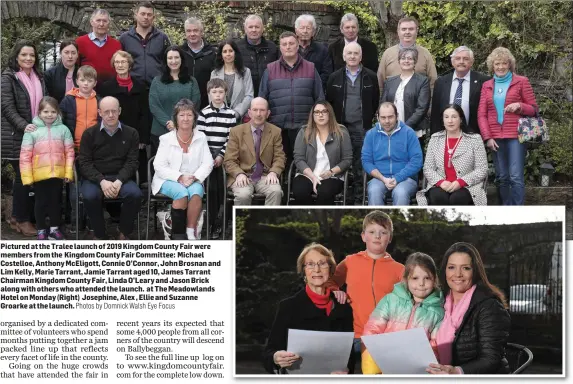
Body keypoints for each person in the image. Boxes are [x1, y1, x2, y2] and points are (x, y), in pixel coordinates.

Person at [326, 211, 404, 373]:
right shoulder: (350, 262)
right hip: (352, 335)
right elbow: (329, 281)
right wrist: (335, 290)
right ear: (363, 236)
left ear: (389, 238)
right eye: (372, 232)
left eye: (383, 233)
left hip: (383, 337)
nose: (377, 236)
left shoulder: (399, 270)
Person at [263, 243, 354, 374]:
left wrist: (346, 372)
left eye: (322, 263)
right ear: (304, 270)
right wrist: (275, 358)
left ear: (330, 269)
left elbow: (349, 356)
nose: (317, 269)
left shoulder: (343, 308)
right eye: (310, 264)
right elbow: (269, 353)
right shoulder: (288, 307)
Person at [426, 242, 510, 374]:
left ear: (475, 271)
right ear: (445, 270)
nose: (457, 274)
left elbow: (491, 359)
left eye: (465, 268)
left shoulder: (490, 307)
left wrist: (457, 371)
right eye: (452, 267)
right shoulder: (438, 302)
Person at [362, 252, 444, 374]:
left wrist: (425, 363)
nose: (421, 283)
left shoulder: (438, 311)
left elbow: (436, 344)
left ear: (435, 279)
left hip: (415, 366)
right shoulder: (390, 300)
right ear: (406, 279)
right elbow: (372, 329)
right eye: (415, 278)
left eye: (427, 278)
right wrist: (378, 353)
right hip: (384, 360)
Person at [477, 47, 538, 206]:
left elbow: (534, 109)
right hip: (495, 138)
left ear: (510, 64)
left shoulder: (521, 82)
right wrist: (487, 137)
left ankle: (518, 211)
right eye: (497, 64)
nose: (501, 67)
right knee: (502, 177)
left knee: (516, 176)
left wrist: (520, 106)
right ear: (492, 65)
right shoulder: (487, 85)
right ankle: (506, 211)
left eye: (504, 63)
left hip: (516, 136)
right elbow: (481, 114)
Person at [1, 40, 48, 237]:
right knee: (23, 179)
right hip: (16, 136)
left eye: (32, 55)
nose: (28, 58)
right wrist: (24, 126)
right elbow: (7, 107)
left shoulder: (39, 77)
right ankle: (22, 220)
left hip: (37, 135)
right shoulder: (8, 78)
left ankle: (16, 217)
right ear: (16, 57)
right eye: (24, 55)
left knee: (30, 178)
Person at [78, 96, 142, 240]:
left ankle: (124, 231)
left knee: (135, 194)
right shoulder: (89, 134)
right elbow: (84, 163)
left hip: (121, 177)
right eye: (106, 112)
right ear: (99, 113)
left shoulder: (131, 133)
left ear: (119, 111)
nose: (111, 115)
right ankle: (99, 234)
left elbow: (132, 162)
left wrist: (119, 181)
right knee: (90, 196)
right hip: (95, 178)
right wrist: (101, 181)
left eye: (114, 111)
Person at [259, 31, 324, 167]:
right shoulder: (270, 70)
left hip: (304, 126)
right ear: (280, 47)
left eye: (291, 43)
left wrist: (317, 122)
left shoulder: (310, 68)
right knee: (280, 163)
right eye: (284, 44)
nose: (288, 47)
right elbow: (262, 99)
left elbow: (319, 98)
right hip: (278, 127)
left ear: (297, 46)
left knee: (303, 164)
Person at [152, 99, 213, 240]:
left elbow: (208, 162)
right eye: (182, 115)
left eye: (189, 115)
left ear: (194, 118)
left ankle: (191, 231)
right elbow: (159, 166)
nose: (186, 119)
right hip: (168, 179)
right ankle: (178, 236)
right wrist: (179, 177)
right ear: (176, 118)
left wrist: (196, 177)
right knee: (181, 192)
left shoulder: (201, 137)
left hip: (193, 178)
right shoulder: (166, 139)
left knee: (197, 191)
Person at [326, 42, 379, 205]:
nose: (352, 56)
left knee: (360, 164)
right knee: (341, 162)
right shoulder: (335, 77)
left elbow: (375, 100)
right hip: (341, 128)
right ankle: (344, 197)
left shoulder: (370, 76)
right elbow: (329, 101)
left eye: (356, 53)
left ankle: (358, 198)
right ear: (343, 56)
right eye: (349, 53)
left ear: (361, 56)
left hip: (361, 128)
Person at [19, 97, 74, 240]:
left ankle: (55, 229)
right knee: (40, 203)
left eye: (53, 111)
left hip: (57, 174)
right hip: (39, 175)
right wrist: (27, 177)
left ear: (58, 113)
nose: (49, 115)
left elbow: (69, 152)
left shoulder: (64, 130)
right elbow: (25, 156)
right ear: (39, 112)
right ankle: (41, 229)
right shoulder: (32, 131)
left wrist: (68, 172)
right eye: (46, 111)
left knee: (56, 202)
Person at [417, 104, 488, 206]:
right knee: (438, 197)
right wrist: (441, 182)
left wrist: (461, 182)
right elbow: (428, 168)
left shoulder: (475, 139)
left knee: (457, 199)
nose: (450, 121)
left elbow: (482, 169)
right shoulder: (435, 138)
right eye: (446, 117)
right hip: (440, 185)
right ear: (442, 120)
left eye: (454, 117)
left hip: (467, 186)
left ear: (461, 119)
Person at [223, 97, 286, 206]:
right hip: (243, 175)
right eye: (255, 110)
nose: (258, 113)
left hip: (265, 176)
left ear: (268, 113)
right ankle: (242, 223)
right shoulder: (236, 131)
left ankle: (267, 223)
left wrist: (274, 172)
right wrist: (238, 174)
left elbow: (280, 157)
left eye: (262, 110)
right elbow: (229, 160)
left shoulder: (275, 131)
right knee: (243, 195)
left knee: (275, 192)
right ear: (249, 112)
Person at [99, 51, 150, 184]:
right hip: (114, 134)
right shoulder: (107, 87)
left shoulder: (140, 85)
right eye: (117, 62)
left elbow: (145, 113)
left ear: (130, 64)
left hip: (136, 135)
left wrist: (143, 138)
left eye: (123, 62)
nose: (120, 65)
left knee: (136, 173)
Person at [196, 79, 237, 238]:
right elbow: (201, 138)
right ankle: (210, 222)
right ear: (209, 94)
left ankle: (222, 222)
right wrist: (210, 158)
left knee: (223, 190)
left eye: (221, 92)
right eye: (214, 92)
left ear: (225, 93)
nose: (218, 95)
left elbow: (231, 138)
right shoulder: (204, 113)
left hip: (224, 156)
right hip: (207, 156)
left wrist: (221, 156)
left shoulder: (231, 114)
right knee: (211, 189)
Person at [291, 101, 352, 205]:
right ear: (312, 115)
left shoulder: (341, 132)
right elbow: (298, 158)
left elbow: (347, 159)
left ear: (330, 113)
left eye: (324, 111)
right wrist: (312, 176)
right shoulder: (304, 131)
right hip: (307, 174)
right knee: (300, 192)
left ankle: (322, 218)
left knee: (325, 193)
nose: (320, 115)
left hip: (332, 175)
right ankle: (310, 219)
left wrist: (331, 172)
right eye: (317, 112)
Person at [362, 102, 423, 206]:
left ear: (397, 116)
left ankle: (400, 222)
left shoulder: (409, 133)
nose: (387, 121)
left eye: (390, 117)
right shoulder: (371, 134)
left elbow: (417, 161)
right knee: (374, 191)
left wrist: (398, 178)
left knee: (400, 192)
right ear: (378, 117)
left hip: (406, 179)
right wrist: (383, 178)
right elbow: (366, 161)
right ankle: (378, 220)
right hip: (379, 179)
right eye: (383, 117)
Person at [149, 46, 200, 157]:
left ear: (181, 59)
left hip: (185, 131)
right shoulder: (157, 81)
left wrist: (177, 123)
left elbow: (194, 104)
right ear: (165, 60)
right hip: (160, 131)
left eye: (176, 57)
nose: (173, 61)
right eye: (170, 58)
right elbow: (154, 105)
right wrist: (168, 122)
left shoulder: (191, 81)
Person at [430, 46, 490, 135]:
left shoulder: (483, 81)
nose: (461, 61)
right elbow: (435, 112)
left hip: (473, 133)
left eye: (465, 59)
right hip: (446, 134)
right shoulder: (441, 82)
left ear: (471, 62)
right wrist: (434, 134)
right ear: (453, 62)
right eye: (458, 58)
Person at [380, 47, 430, 140]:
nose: (406, 61)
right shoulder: (390, 81)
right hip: (390, 128)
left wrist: (405, 127)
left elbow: (422, 108)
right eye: (403, 58)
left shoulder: (422, 81)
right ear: (399, 61)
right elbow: (383, 104)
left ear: (415, 62)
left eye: (410, 58)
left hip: (413, 130)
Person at [377, 16, 437, 92]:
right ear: (398, 31)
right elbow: (380, 81)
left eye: (411, 29)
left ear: (416, 31)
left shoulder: (425, 53)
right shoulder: (388, 53)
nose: (407, 32)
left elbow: (433, 81)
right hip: (392, 102)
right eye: (404, 29)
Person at [119, 1, 171, 86]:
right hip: (132, 87)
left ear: (153, 17)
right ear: (136, 15)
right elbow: (118, 63)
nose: (146, 17)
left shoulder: (162, 38)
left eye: (149, 15)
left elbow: (168, 61)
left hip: (157, 86)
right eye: (143, 14)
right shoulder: (125, 38)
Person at [235, 14, 278, 98]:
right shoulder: (236, 48)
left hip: (268, 96)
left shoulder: (272, 47)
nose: (254, 30)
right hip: (243, 97)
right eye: (250, 27)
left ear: (262, 29)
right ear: (245, 29)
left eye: (257, 27)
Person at [76, 9, 121, 87]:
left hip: (111, 89)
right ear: (91, 22)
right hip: (87, 90)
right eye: (98, 20)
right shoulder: (80, 42)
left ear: (109, 23)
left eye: (104, 21)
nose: (101, 24)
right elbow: (75, 67)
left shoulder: (116, 45)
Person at [60, 65, 100, 152]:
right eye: (82, 80)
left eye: (90, 81)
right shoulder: (68, 99)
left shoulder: (99, 101)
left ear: (95, 83)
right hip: (73, 147)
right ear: (77, 81)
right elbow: (60, 120)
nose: (86, 83)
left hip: (94, 146)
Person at [210, 39, 254, 120]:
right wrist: (221, 112)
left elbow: (249, 96)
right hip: (220, 118)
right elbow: (211, 96)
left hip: (240, 118)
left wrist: (236, 113)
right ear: (221, 55)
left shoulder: (245, 72)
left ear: (235, 53)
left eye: (230, 51)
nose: (228, 54)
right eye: (225, 51)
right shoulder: (214, 73)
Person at [179, 17, 217, 109]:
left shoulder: (213, 53)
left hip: (206, 105)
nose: (192, 34)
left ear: (201, 32)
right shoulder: (179, 53)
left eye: (195, 30)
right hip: (182, 105)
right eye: (188, 31)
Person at [295, 14, 333, 89]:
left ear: (313, 32)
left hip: (315, 90)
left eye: (308, 28)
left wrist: (314, 87)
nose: (305, 31)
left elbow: (327, 73)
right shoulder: (289, 49)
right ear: (296, 31)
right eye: (302, 28)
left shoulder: (323, 50)